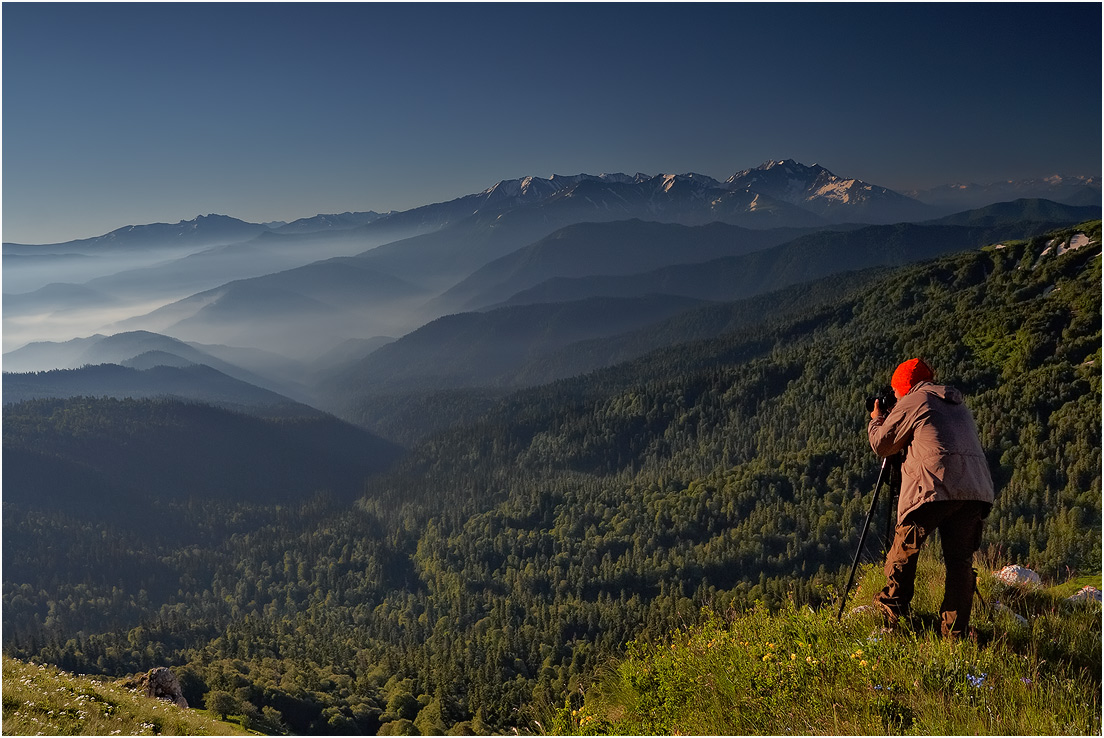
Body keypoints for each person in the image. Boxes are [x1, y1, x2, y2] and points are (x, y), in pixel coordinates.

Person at [867, 358, 995, 639]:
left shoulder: (914, 400)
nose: (896, 396)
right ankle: (954, 633)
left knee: (905, 550)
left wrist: (877, 418)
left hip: (933, 486)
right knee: (959, 562)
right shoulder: (956, 403)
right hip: (975, 490)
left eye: (896, 391)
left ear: (904, 386)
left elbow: (882, 444)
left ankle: (893, 613)